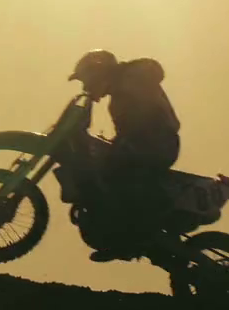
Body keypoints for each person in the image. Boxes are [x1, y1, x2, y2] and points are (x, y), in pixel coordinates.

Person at [67, 49, 182, 262]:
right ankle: (126, 235)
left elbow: (150, 82)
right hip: (144, 143)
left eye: (86, 79)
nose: (86, 87)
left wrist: (122, 142)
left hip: (158, 142)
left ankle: (147, 216)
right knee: (104, 171)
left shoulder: (132, 77)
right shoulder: (118, 97)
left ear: (98, 70)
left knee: (117, 175)